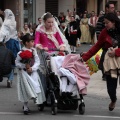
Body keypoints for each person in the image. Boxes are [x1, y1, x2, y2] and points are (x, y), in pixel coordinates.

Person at [81, 13, 120, 112]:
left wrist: (116, 51)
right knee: (111, 88)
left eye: (107, 23)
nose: (105, 25)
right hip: (109, 62)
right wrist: (84, 58)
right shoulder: (104, 32)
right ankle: (113, 99)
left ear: (114, 22)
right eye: (104, 23)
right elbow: (96, 47)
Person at [15, 34, 46, 115]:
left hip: (33, 73)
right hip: (24, 73)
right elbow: (17, 62)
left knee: (35, 87)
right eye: (31, 41)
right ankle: (25, 106)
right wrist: (24, 66)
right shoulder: (20, 52)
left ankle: (39, 102)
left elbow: (37, 61)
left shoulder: (33, 51)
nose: (33, 43)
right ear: (26, 43)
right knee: (26, 89)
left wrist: (32, 68)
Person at [0, 9, 21, 87]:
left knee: (4, 58)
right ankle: (10, 79)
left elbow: (3, 33)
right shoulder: (14, 22)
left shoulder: (6, 22)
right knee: (12, 60)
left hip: (7, 43)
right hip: (14, 42)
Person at [96, 1, 115, 81]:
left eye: (114, 7)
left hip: (114, 44)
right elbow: (98, 30)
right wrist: (101, 41)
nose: (113, 9)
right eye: (111, 7)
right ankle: (104, 74)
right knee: (104, 59)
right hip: (104, 44)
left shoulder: (115, 18)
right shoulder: (101, 18)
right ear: (107, 8)